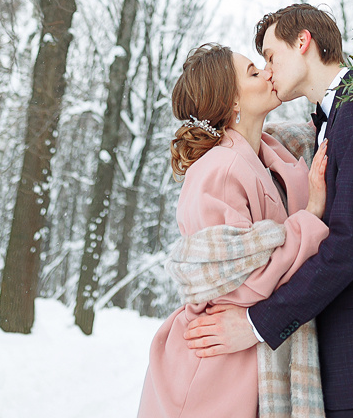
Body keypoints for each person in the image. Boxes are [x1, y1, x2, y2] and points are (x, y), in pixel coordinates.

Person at [184, 3, 353, 418]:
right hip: (351, 351)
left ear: (303, 42)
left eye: (271, 57)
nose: (269, 70)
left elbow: (350, 244)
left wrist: (257, 324)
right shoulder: (331, 121)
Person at [137, 41, 330, 418]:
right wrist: (313, 213)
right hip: (211, 373)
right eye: (254, 73)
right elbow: (243, 278)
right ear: (232, 103)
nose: (268, 72)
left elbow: (315, 131)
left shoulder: (271, 152)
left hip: (245, 362)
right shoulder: (220, 169)